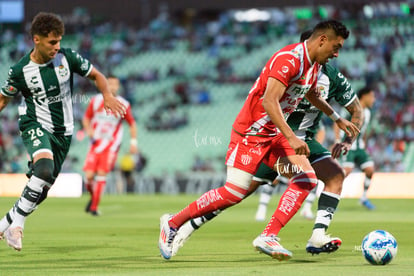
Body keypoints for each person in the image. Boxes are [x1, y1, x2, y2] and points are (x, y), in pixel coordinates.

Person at [159, 20, 359, 260]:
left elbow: (309, 93)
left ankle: (268, 236)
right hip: (252, 134)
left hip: (275, 135)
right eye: (336, 47)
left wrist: (336, 117)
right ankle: (173, 222)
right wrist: (291, 137)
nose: (337, 53)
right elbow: (268, 101)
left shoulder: (313, 65)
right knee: (234, 192)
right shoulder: (289, 59)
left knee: (306, 179)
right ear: (322, 40)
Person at [0, 12, 126, 251]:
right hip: (34, 123)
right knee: (44, 168)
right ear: (36, 40)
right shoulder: (20, 71)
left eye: (59, 41)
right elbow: (3, 99)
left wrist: (107, 95)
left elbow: (97, 75)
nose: (57, 47)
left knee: (42, 189)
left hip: (64, 131)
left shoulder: (67, 58)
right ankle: (17, 226)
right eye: (52, 42)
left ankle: (4, 224)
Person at [83, 75, 138, 216]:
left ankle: (94, 207)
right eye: (109, 83)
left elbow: (131, 123)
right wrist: (88, 130)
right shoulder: (95, 101)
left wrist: (133, 142)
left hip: (111, 145)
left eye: (114, 84)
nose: (112, 86)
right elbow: (86, 118)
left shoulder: (123, 104)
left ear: (118, 86)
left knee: (101, 174)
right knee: (88, 177)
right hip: (95, 143)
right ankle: (93, 197)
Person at [339, 87, 376, 209]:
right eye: (372, 96)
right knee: (345, 172)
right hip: (348, 145)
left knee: (370, 170)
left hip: (360, 146)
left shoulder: (368, 113)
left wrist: (364, 143)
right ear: (364, 96)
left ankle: (364, 198)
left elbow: (364, 130)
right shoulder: (351, 108)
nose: (373, 100)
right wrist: (337, 141)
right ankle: (331, 195)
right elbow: (338, 123)